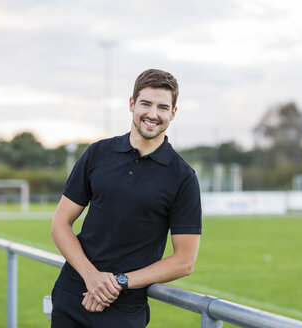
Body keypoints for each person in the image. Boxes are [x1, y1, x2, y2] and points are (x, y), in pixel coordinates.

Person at [50, 68, 202, 328]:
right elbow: (60, 224)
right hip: (72, 294)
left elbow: (184, 262)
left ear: (173, 113)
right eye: (146, 104)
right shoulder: (97, 153)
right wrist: (92, 277)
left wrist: (118, 282)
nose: (153, 114)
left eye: (163, 107)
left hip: (124, 308)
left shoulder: (183, 177)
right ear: (132, 104)